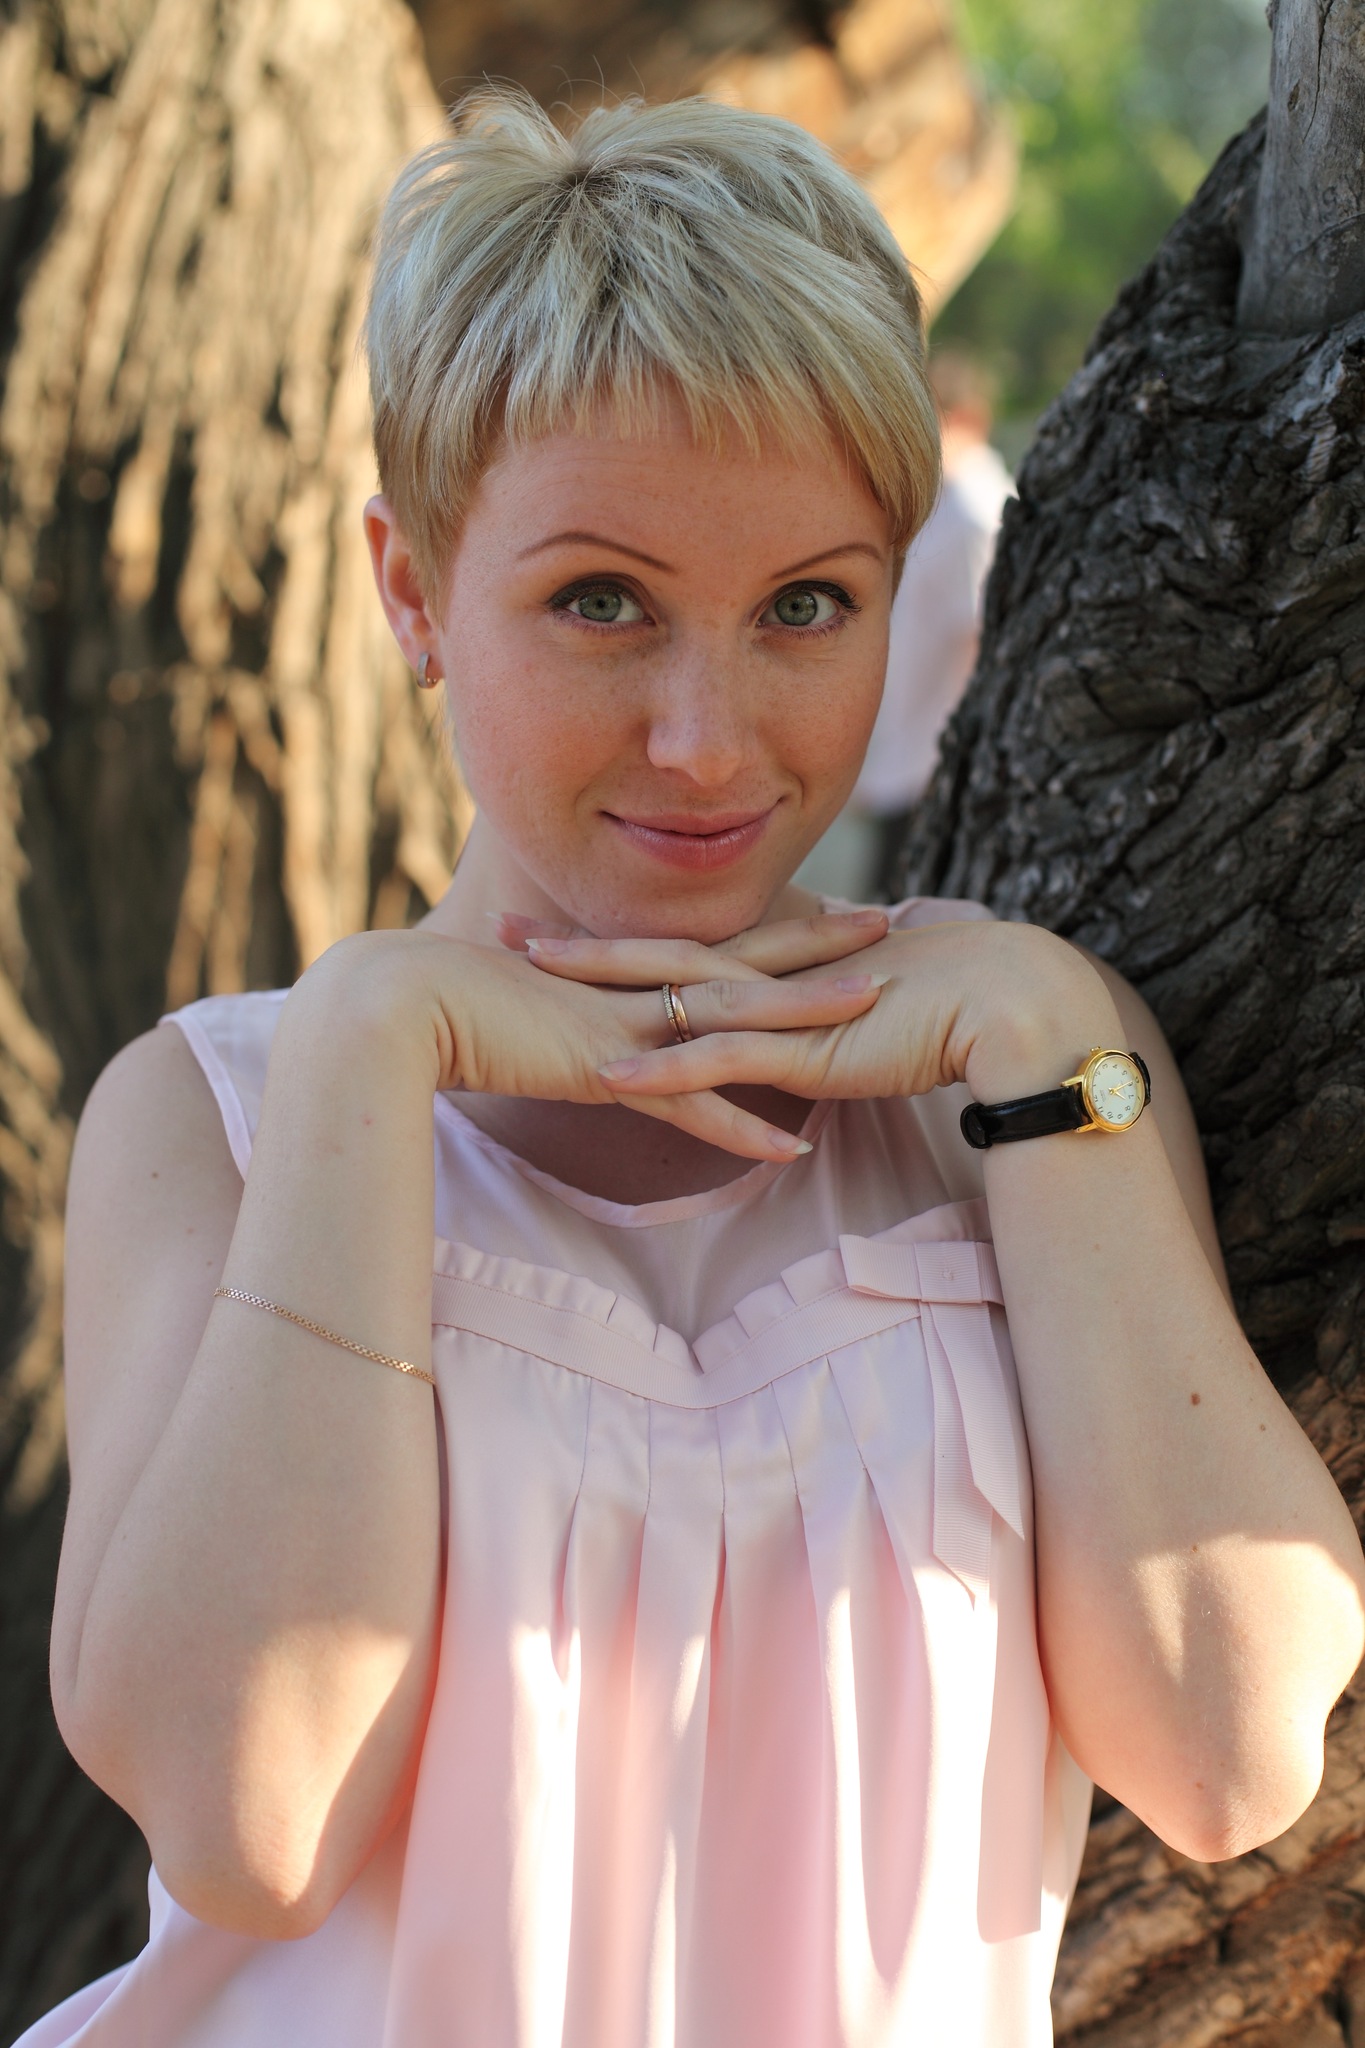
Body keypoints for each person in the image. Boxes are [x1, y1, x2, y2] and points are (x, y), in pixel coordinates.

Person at [22, 90, 1365, 2048]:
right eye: (601, 601)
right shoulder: (216, 1117)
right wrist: (371, 1051)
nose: (709, 740)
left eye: (804, 605)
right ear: (411, 590)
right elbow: (251, 1820)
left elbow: (1228, 1747)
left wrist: (1057, 1049)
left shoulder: (1017, 1082)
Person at [853, 350, 1013, 900]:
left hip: (934, 768)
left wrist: (948, 765)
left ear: (966, 419)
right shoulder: (941, 501)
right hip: (911, 760)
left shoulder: (974, 512)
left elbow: (979, 642)